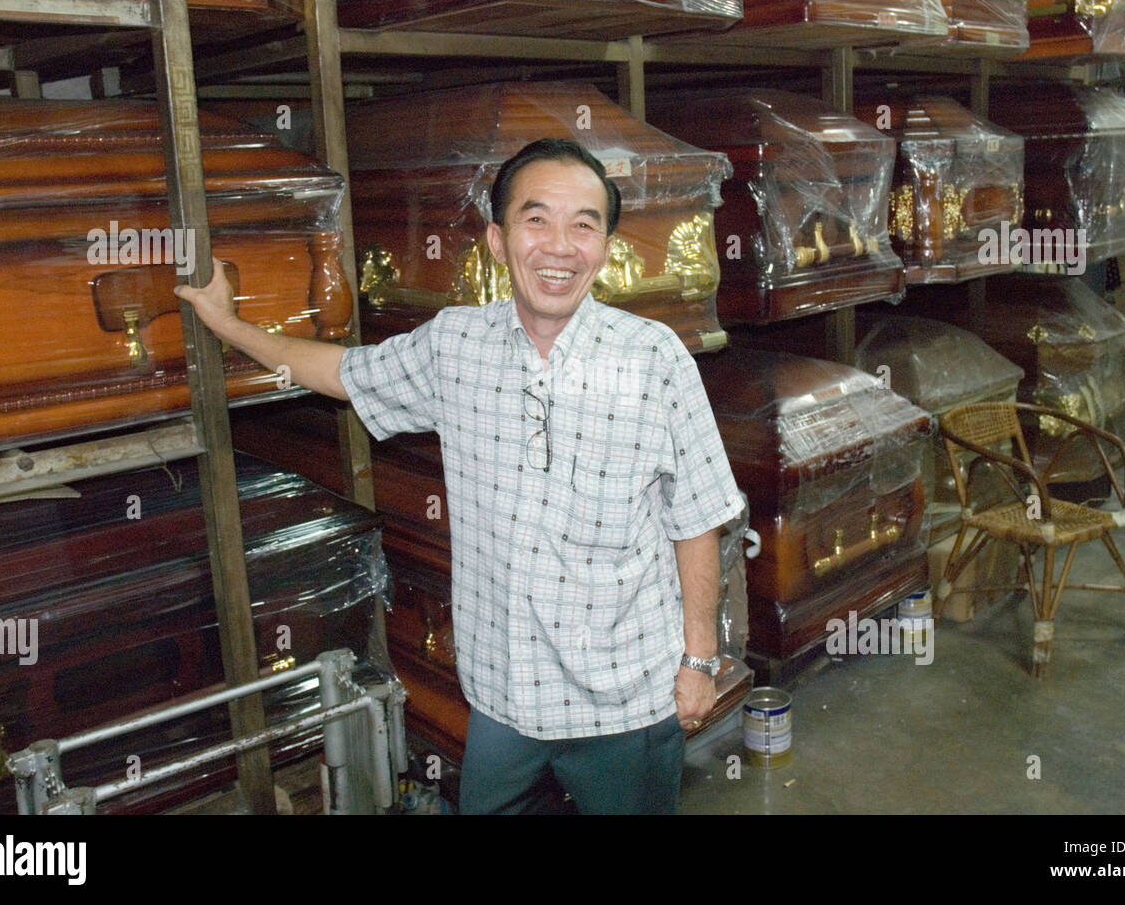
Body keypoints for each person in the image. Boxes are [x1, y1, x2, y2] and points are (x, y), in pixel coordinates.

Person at [175, 137, 744, 814]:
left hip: (623, 702)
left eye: (583, 224)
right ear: (499, 241)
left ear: (606, 246)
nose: (560, 246)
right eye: (537, 220)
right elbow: (339, 373)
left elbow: (697, 517)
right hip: (504, 699)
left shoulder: (655, 360)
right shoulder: (454, 346)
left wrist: (699, 663)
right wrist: (227, 324)